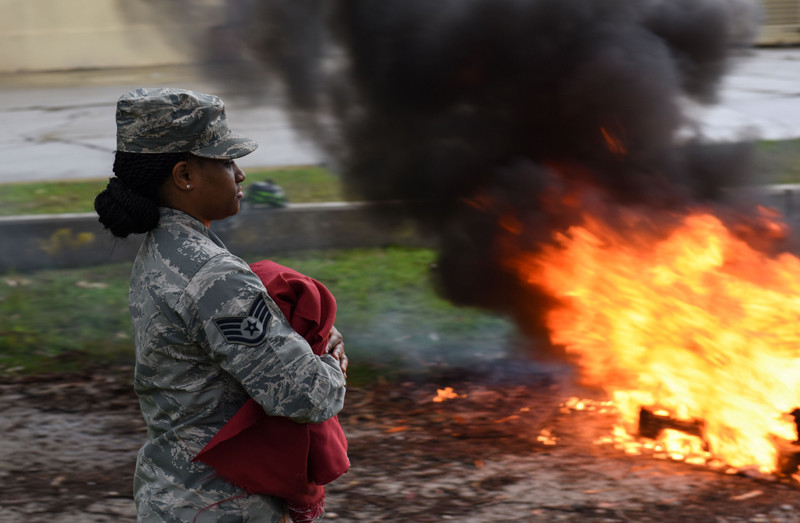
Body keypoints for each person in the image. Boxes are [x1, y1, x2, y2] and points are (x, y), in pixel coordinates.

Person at [94, 87, 348, 522]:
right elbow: (305, 395)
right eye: (227, 162)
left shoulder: (160, 253)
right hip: (223, 504)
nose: (241, 174)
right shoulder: (213, 276)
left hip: (173, 494)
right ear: (185, 175)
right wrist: (329, 359)